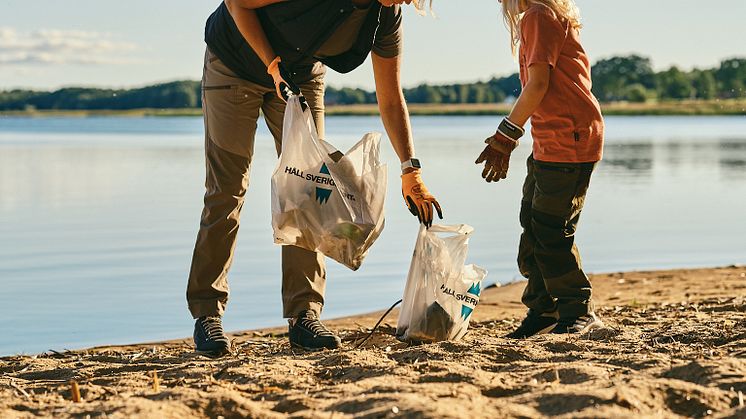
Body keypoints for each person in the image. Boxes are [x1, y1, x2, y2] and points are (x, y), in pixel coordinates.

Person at [187, 0, 443, 357]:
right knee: (227, 191)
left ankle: (304, 313)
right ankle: (207, 314)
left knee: (310, 188)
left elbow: (390, 96)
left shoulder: (387, 15)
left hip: (300, 74)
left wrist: (410, 170)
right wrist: (271, 64)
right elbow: (237, 3)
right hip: (235, 64)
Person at [476, 0, 604, 337]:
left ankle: (578, 310)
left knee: (550, 229)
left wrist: (505, 137)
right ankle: (544, 308)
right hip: (552, 140)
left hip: (568, 137)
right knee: (533, 223)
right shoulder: (542, 15)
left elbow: (537, 84)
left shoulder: (538, 15)